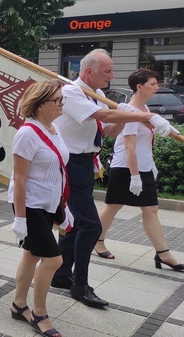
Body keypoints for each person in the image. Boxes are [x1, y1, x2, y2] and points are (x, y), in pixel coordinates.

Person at [52, 49, 178, 308]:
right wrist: (146, 116)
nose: (112, 75)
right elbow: (103, 116)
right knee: (91, 226)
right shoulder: (72, 92)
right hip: (70, 163)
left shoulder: (96, 96)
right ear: (90, 71)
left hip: (85, 163)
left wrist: (130, 117)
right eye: (108, 71)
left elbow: (109, 130)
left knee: (75, 223)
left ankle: (61, 274)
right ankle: (80, 284)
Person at [95, 68, 183, 271]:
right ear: (140, 87)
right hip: (127, 167)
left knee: (148, 208)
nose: (157, 87)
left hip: (141, 168)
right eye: (153, 84)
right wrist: (135, 176)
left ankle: (162, 254)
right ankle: (96, 241)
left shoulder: (143, 110)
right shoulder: (130, 111)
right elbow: (129, 146)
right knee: (113, 205)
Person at [8, 79, 70, 337]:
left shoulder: (54, 129)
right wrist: (20, 218)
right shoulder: (27, 133)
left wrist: (63, 208)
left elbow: (58, 171)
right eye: (56, 100)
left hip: (48, 203)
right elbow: (19, 178)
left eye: (61, 99)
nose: (61, 104)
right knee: (54, 259)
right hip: (30, 205)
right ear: (39, 104)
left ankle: (18, 304)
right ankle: (39, 312)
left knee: (32, 255)